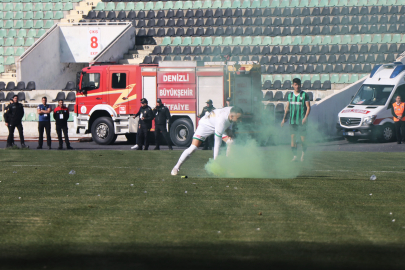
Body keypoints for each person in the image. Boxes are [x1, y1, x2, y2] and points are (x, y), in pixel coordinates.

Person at [171, 106, 243, 175]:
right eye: (239, 118)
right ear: (231, 116)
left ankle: (228, 168)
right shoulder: (221, 121)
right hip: (205, 125)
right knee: (193, 148)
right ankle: (176, 167)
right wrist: (215, 164)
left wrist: (229, 129)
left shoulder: (233, 110)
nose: (241, 120)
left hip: (218, 124)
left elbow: (230, 120)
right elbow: (217, 144)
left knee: (231, 142)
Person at [281, 78, 311, 162]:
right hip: (292, 121)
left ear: (300, 85)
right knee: (293, 138)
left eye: (298, 84)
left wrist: (305, 117)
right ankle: (295, 156)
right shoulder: (290, 95)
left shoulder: (304, 95)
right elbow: (287, 108)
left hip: (302, 121)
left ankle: (303, 155)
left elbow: (308, 107)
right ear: (293, 85)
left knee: (303, 140)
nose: (297, 86)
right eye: (295, 84)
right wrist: (284, 119)